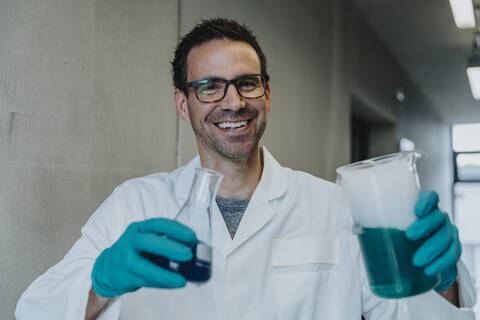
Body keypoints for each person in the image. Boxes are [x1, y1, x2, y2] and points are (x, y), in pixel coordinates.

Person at [16, 18, 476, 320]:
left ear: (267, 94)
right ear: (183, 103)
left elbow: (408, 314)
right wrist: (99, 281)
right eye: (210, 87)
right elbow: (33, 311)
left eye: (246, 83)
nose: (233, 101)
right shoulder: (134, 204)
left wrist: (446, 282)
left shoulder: (336, 206)